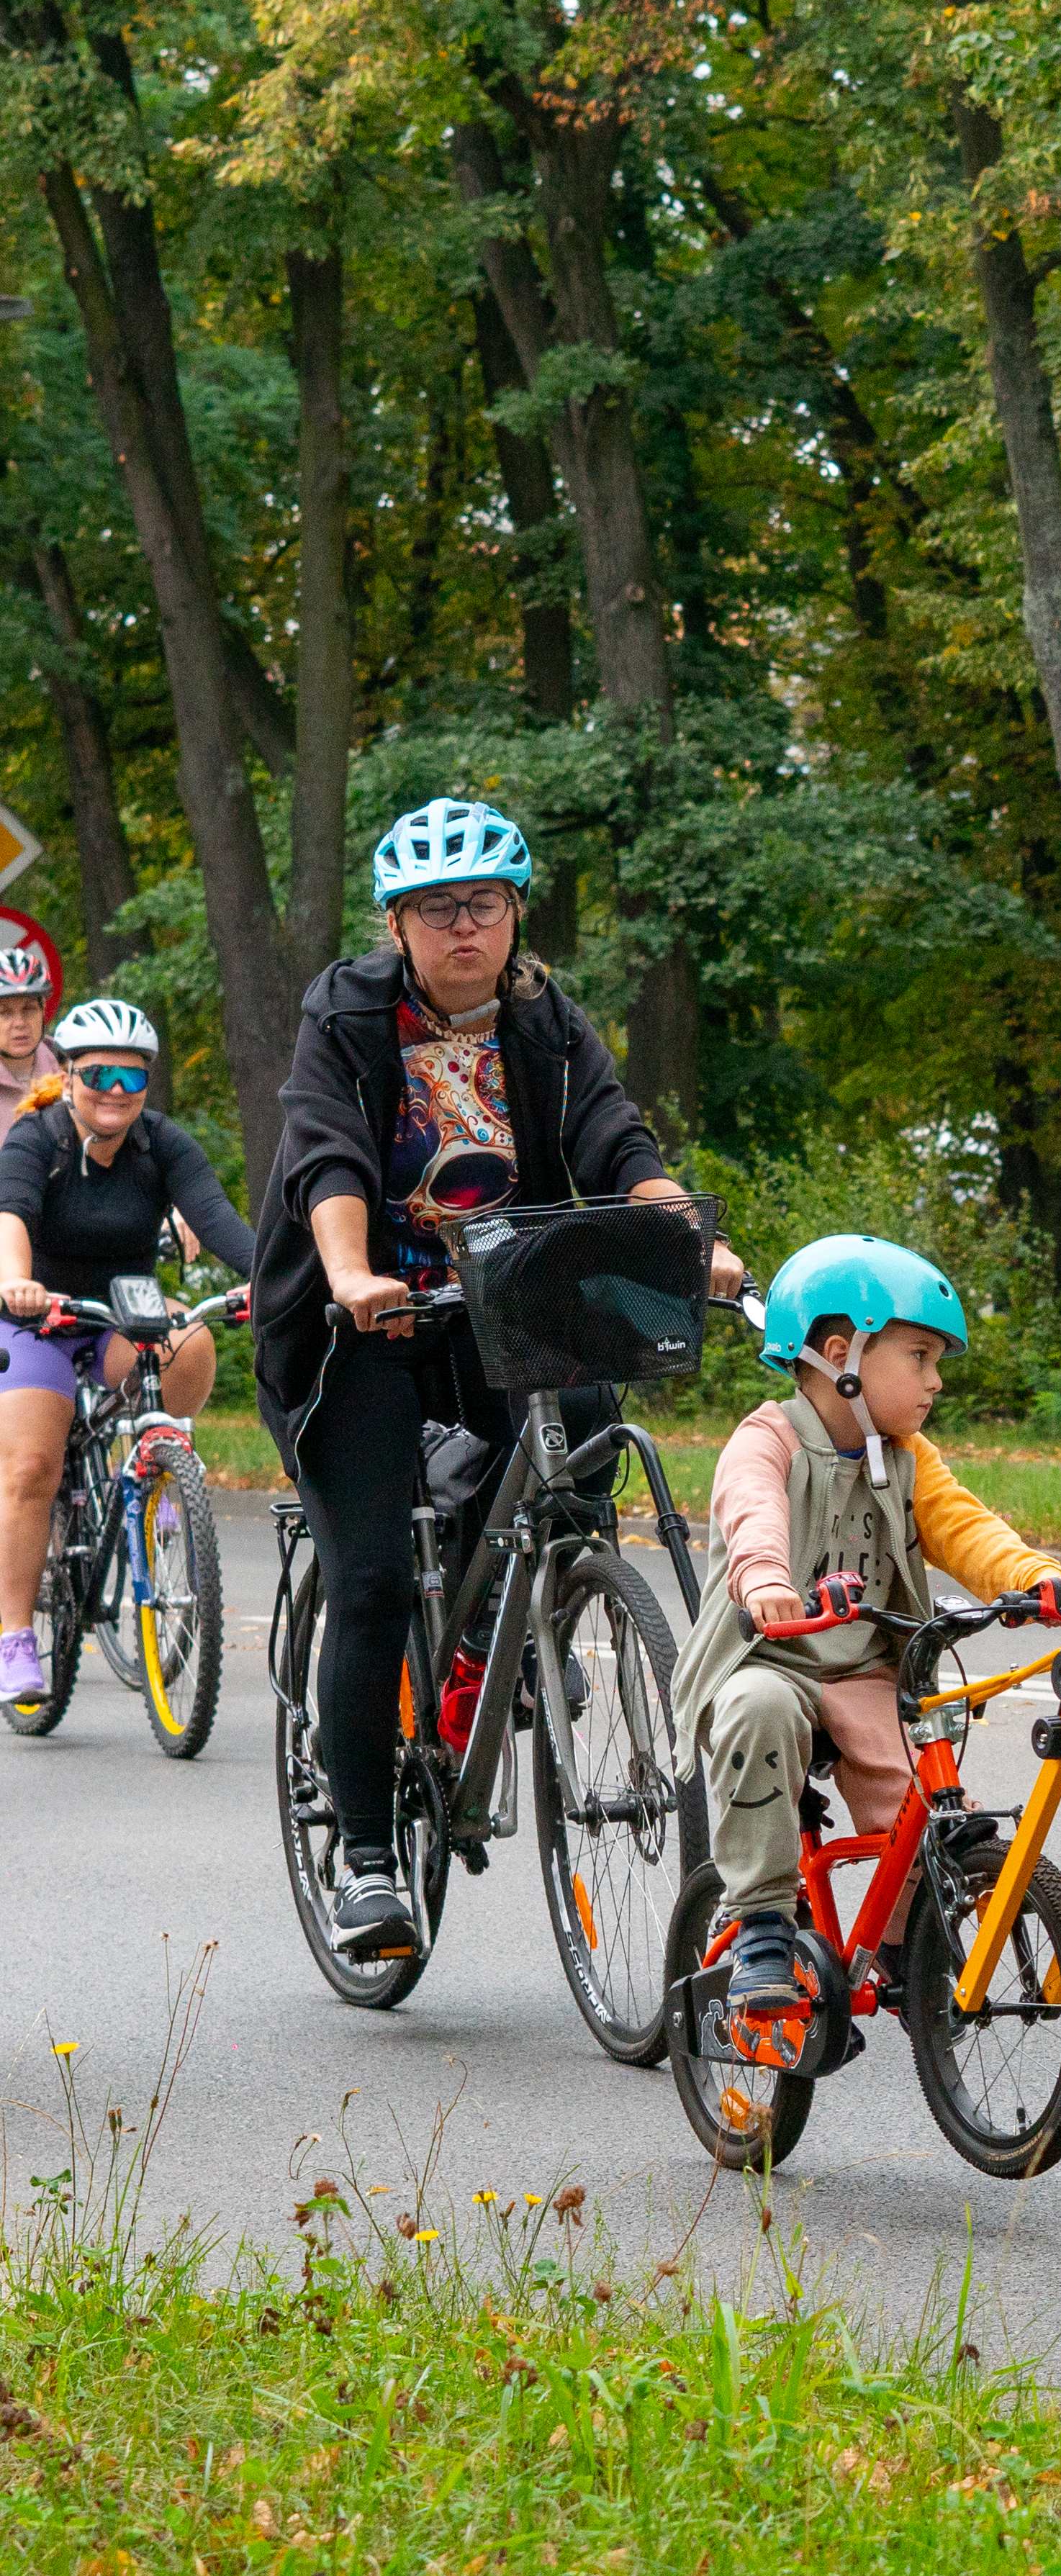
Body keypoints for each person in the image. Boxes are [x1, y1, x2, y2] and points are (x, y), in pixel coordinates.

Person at [252, 797, 741, 1960]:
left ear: (516, 914)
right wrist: (351, 1267)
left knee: (579, 1425)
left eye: (482, 905)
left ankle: (500, 1631)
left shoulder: (545, 1023)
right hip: (353, 1325)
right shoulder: (350, 1016)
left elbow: (620, 1148)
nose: (461, 928)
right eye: (435, 910)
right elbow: (325, 1151)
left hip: (495, 1305)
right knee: (368, 1578)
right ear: (398, 925)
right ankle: (369, 1859)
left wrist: (687, 1243)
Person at [672, 1236, 1061, 2044]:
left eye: (938, 1361)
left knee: (922, 1802)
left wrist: (1036, 1577)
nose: (936, 1380)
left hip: (864, 1669)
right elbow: (751, 1512)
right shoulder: (767, 1439)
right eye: (919, 1355)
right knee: (761, 1708)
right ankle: (761, 1924)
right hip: (769, 1656)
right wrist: (765, 1581)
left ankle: (909, 1943)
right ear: (842, 1355)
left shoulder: (907, 1457)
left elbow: (967, 1528)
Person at [0, 998, 251, 1708]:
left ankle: (160, 1465)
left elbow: (221, 1223)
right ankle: (15, 1631)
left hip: (120, 1314)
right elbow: (10, 1219)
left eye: (133, 1077)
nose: (116, 1089)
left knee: (190, 1338)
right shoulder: (34, 1140)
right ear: (70, 1073)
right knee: (31, 1466)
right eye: (101, 1072)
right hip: (37, 1317)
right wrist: (15, 1282)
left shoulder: (162, 1144)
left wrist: (276, 1280)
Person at [0, 944, 57, 1109]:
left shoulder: (72, 1071)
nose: (20, 1023)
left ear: (43, 1009)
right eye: (4, 1013)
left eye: (29, 1009)